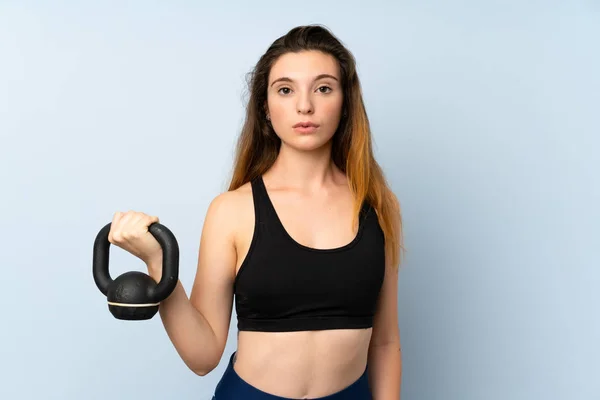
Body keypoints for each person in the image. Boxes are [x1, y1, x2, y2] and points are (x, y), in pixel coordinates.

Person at [108, 24, 405, 400]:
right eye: (285, 89)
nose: (304, 106)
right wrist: (157, 262)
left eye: (324, 88)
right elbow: (202, 356)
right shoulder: (232, 211)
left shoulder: (378, 203)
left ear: (345, 102)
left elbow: (385, 343)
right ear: (266, 107)